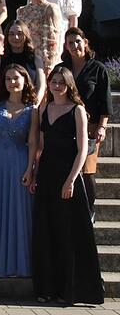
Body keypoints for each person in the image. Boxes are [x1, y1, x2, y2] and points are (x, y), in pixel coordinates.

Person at [30, 67, 104, 305]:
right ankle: (48, 289)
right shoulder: (44, 108)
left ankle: (72, 291)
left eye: (62, 82)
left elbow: (83, 150)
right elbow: (40, 146)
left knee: (69, 234)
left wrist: (71, 179)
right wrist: (33, 172)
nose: (57, 86)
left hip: (68, 176)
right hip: (47, 175)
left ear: (70, 85)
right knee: (47, 231)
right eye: (54, 82)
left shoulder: (78, 110)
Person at [0, 63, 38, 277]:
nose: (12, 82)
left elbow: (32, 142)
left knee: (18, 212)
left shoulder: (33, 110)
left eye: (16, 78)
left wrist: (30, 169)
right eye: (7, 79)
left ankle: (16, 262)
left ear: (24, 80)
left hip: (20, 163)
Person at [55, 28, 112, 220]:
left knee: (86, 171)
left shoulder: (98, 69)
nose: (74, 46)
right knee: (67, 169)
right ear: (66, 46)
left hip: (90, 129)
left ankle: (89, 211)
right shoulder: (62, 69)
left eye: (77, 41)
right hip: (65, 127)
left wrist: (102, 126)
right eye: (70, 43)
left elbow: (106, 103)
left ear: (85, 42)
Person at [16, 0, 63, 75]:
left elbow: (52, 39)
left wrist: (49, 65)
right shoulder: (21, 11)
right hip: (25, 57)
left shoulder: (50, 8)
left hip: (42, 61)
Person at [0, 21, 47, 105]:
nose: (16, 37)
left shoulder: (36, 60)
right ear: (7, 37)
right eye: (12, 34)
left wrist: (34, 106)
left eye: (20, 34)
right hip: (6, 108)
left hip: (30, 106)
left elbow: (41, 87)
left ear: (26, 35)